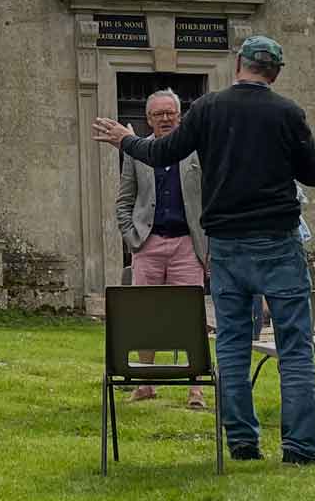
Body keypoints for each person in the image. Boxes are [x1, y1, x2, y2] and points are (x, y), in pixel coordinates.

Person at [93, 36, 315, 466]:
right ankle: (298, 448)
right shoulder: (288, 113)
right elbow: (313, 173)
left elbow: (162, 151)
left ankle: (241, 442)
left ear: (238, 63)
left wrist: (126, 140)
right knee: (295, 347)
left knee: (233, 344)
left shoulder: (208, 109)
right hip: (278, 241)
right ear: (274, 72)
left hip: (228, 244)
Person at [114, 89, 208, 409]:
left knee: (190, 316)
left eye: (170, 113)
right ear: (149, 119)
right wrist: (132, 237)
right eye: (158, 114)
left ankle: (196, 389)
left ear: (179, 116)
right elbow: (125, 200)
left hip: (187, 244)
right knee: (145, 315)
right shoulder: (137, 152)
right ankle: (146, 383)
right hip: (148, 243)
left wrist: (206, 241)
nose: (166, 119)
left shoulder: (196, 151)